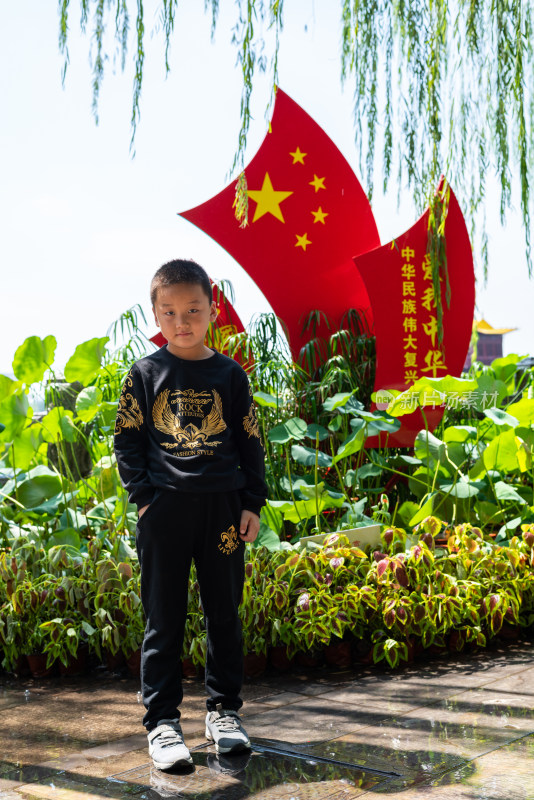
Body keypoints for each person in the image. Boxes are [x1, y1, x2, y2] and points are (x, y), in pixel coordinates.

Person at [114, 259, 267, 770]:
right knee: (165, 618)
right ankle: (161, 723)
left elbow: (250, 442)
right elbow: (128, 442)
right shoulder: (144, 374)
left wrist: (251, 503)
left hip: (223, 511)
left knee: (224, 612)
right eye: (170, 312)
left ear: (212, 309)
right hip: (165, 513)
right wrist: (144, 498)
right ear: (155, 315)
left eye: (193, 310)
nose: (182, 321)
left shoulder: (229, 374)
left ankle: (224, 712)